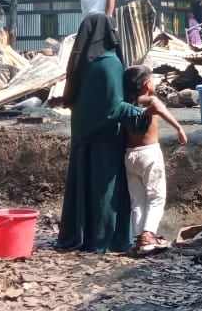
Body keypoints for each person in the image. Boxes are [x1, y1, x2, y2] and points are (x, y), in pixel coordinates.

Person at [57, 14, 150, 253]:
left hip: (84, 135)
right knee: (104, 192)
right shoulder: (109, 63)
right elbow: (113, 107)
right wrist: (141, 113)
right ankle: (105, 240)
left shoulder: (85, 65)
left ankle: (82, 236)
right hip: (105, 140)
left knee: (85, 189)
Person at [122, 65, 188, 255]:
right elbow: (158, 106)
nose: (155, 82)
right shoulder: (149, 100)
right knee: (156, 197)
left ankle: (139, 239)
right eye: (152, 79)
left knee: (137, 200)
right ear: (145, 84)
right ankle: (149, 235)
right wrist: (179, 128)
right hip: (149, 154)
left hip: (130, 156)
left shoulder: (125, 104)